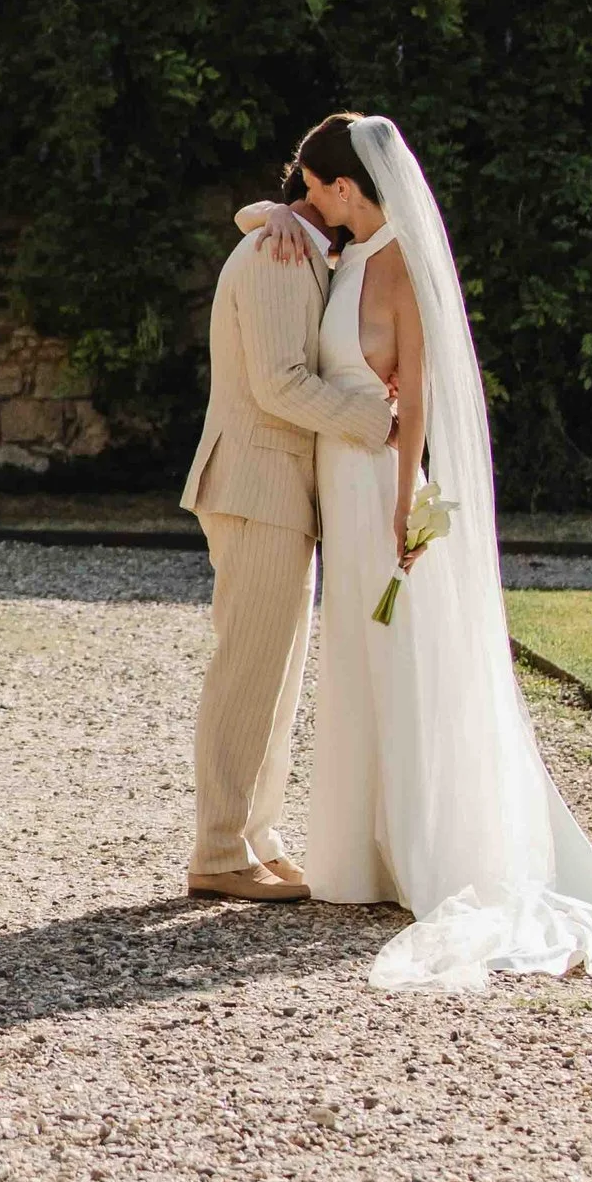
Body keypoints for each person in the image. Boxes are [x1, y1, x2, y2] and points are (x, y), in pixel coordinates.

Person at [243, 110, 592, 994]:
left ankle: (426, 849)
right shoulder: (342, 252)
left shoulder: (396, 264)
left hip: (379, 493)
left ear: (348, 187)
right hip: (342, 492)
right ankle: (366, 855)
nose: (306, 201)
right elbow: (263, 219)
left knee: (403, 661)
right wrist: (276, 214)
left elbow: (421, 400)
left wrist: (407, 506)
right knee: (358, 661)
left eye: (314, 188)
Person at [179, 154, 395, 899]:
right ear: (328, 188)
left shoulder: (290, 239)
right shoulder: (276, 253)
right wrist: (371, 421)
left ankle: (255, 836)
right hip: (255, 482)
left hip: (278, 490)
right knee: (248, 673)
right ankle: (216, 850)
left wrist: (265, 211)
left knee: (277, 679)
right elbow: (277, 382)